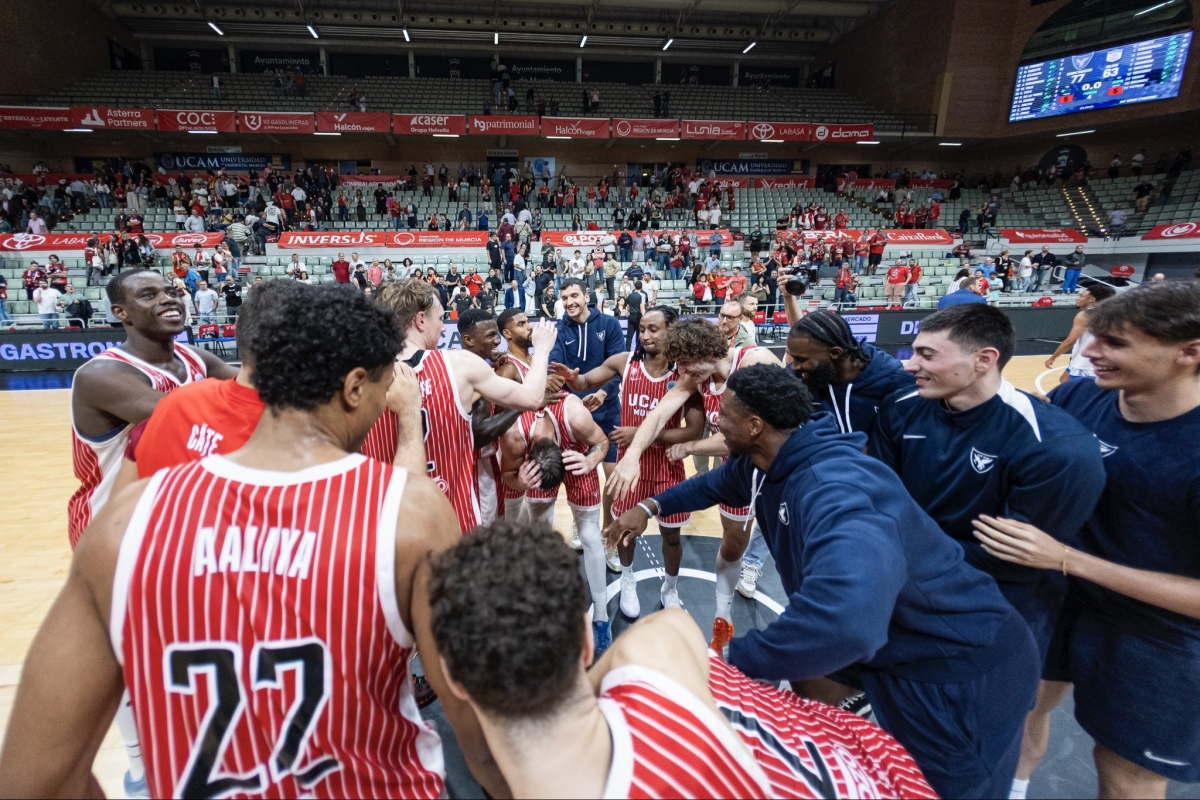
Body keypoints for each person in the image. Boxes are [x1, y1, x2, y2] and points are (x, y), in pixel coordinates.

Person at [0, 283, 506, 800]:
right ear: (356, 387)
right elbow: (482, 735)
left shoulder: (122, 523)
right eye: (384, 390)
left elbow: (35, 778)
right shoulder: (409, 513)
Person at [607, 365, 1040, 798]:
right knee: (808, 677)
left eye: (726, 414)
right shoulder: (764, 459)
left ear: (755, 426)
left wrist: (724, 666)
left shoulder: (836, 488)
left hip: (961, 667)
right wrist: (648, 507)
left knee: (934, 789)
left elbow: (847, 625)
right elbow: (711, 485)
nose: (717, 419)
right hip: (897, 648)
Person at [427, 517, 938, 799]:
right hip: (874, 766)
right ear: (585, 642)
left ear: (453, 676)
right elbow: (662, 632)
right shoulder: (650, 652)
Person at [981, 281, 1200, 800]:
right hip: (1055, 600)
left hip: (1158, 635)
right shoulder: (1080, 396)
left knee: (1123, 772)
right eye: (1094, 337)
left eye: (1116, 343)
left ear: (1189, 352)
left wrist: (1068, 560)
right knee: (1017, 714)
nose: (1090, 351)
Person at [607, 318, 781, 651]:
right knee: (731, 544)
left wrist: (690, 447)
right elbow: (658, 414)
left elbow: (748, 438)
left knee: (775, 544)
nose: (683, 371)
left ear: (704, 350)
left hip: (779, 471)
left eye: (686, 362)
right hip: (737, 473)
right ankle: (723, 620)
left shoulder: (754, 361)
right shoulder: (696, 376)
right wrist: (632, 455)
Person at [362, 280, 556, 533]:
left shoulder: (358, 375)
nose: (443, 329)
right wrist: (541, 349)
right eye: (440, 318)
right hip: (452, 521)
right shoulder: (459, 365)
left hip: (385, 525)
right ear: (421, 320)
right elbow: (532, 397)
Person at [551, 306, 705, 616]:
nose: (645, 335)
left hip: (666, 467)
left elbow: (695, 431)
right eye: (641, 329)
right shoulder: (625, 363)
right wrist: (572, 379)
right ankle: (628, 578)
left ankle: (670, 588)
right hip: (628, 469)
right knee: (624, 530)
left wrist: (641, 433)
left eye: (654, 329)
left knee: (671, 535)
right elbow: (584, 382)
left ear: (671, 331)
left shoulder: (685, 374)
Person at [497, 388, 614, 652]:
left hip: (578, 458)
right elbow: (507, 473)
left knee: (590, 536)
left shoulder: (574, 414)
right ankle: (539, 604)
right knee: (539, 536)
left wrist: (590, 460)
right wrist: (522, 482)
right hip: (537, 472)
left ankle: (601, 617)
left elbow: (602, 442)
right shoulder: (515, 435)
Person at [546, 278, 628, 527]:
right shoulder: (559, 329)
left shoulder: (609, 324)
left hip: (608, 410)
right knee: (579, 475)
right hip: (574, 416)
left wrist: (603, 393)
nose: (569, 302)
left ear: (586, 295)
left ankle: (609, 530)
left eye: (574, 296)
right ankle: (579, 524)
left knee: (614, 478)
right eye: (564, 298)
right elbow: (555, 367)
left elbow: (618, 366)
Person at [1044, 284, 1117, 382]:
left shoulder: (1085, 315)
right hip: (1101, 358)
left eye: (1081, 296)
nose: (1078, 298)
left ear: (1091, 299)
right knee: (1064, 380)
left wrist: (1053, 357)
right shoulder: (1113, 313)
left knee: (1072, 389)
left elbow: (1070, 341)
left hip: (1086, 362)